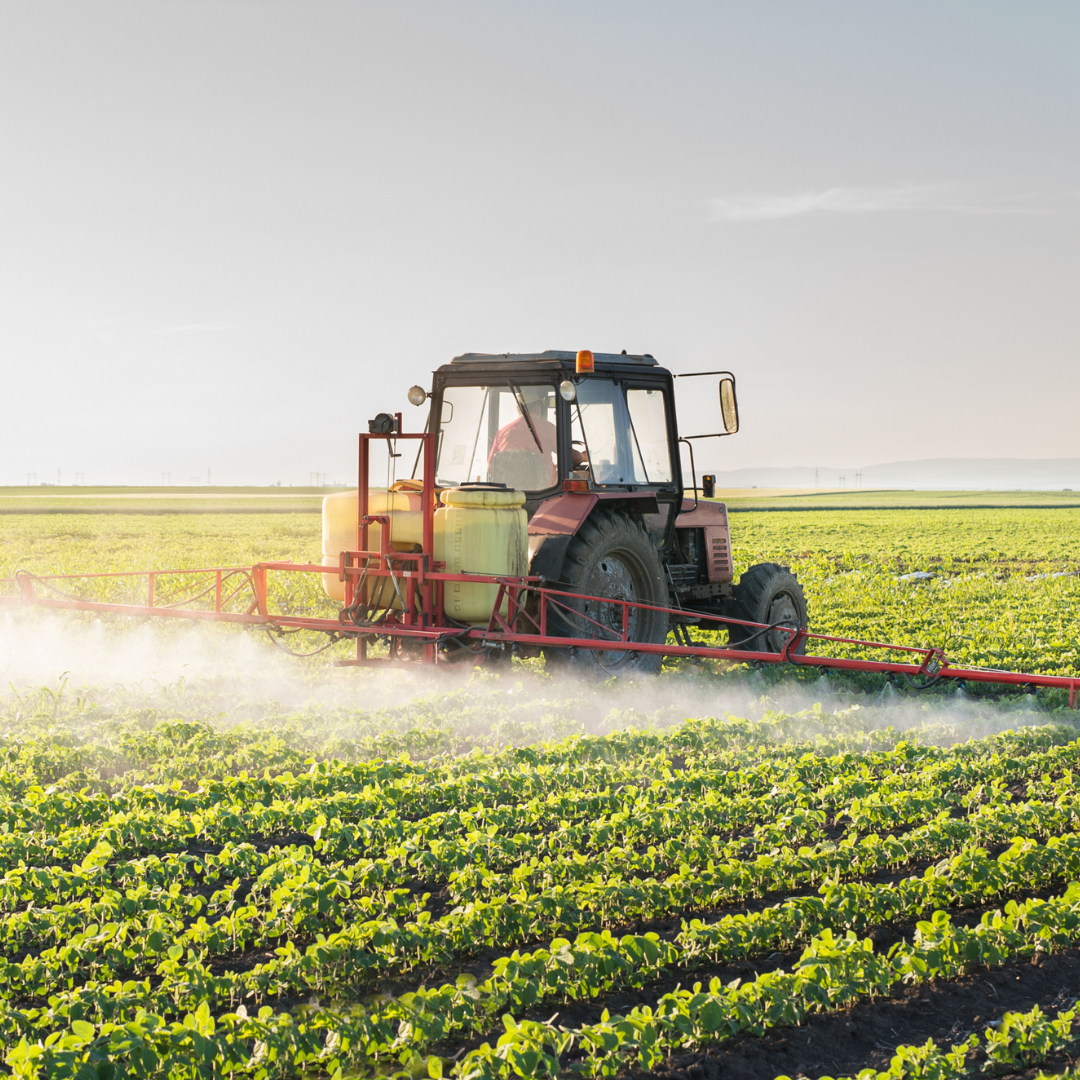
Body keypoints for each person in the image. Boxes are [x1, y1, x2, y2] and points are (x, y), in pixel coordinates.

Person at [488, 386, 558, 485]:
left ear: (518, 409)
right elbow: (569, 456)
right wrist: (581, 457)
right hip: (543, 492)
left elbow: (490, 468)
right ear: (536, 407)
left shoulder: (503, 432)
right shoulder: (548, 429)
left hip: (509, 493)